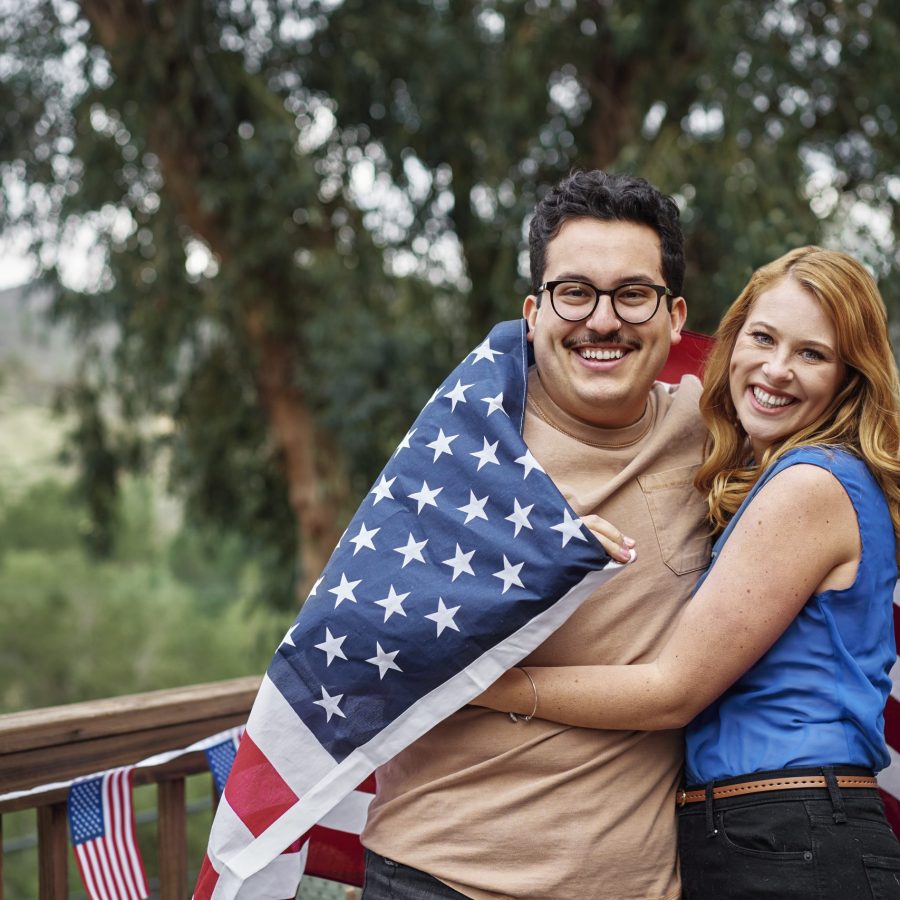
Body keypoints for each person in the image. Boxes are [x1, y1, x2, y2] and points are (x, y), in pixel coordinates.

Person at [474, 246, 900, 898]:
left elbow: (673, 689)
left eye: (812, 354)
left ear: (849, 375)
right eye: (762, 338)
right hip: (767, 832)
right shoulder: (781, 479)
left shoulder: (812, 482)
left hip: (792, 835)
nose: (777, 369)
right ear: (732, 343)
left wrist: (483, 683)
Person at [360, 170, 711, 899]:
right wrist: (516, 564)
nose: (604, 320)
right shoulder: (462, 451)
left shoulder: (714, 433)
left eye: (633, 294)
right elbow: (364, 640)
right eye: (575, 292)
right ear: (533, 311)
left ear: (675, 317)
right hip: (439, 876)